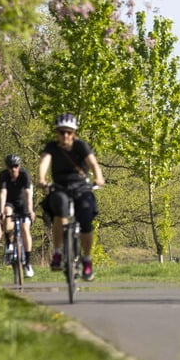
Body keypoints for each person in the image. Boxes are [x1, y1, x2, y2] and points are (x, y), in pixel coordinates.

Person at [37, 113, 105, 281]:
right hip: (60, 188)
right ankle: (58, 253)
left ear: (74, 133)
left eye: (68, 132)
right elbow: (44, 161)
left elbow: (93, 163)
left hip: (81, 188)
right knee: (59, 209)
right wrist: (41, 178)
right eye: (61, 132)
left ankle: (87, 260)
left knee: (86, 220)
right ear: (57, 133)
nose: (65, 135)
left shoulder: (81, 146)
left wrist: (99, 178)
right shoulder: (52, 147)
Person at [0, 154, 35, 278]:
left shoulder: (24, 174)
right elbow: (3, 193)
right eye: (10, 167)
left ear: (19, 166)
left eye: (16, 166)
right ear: (7, 167)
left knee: (25, 229)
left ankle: (28, 263)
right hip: (10, 203)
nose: (13, 169)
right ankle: (9, 244)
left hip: (23, 203)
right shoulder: (3, 176)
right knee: (7, 216)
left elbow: (28, 193)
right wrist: (1, 211)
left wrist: (30, 210)